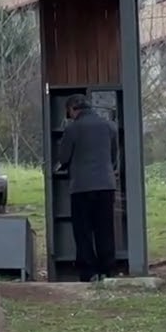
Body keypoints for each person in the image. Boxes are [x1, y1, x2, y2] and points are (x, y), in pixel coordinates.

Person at [54, 93, 119, 282]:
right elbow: (113, 157)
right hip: (106, 185)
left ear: (73, 109)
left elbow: (64, 158)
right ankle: (108, 269)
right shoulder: (109, 126)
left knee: (83, 231)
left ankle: (89, 272)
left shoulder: (72, 128)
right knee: (105, 228)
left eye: (68, 112)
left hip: (81, 187)